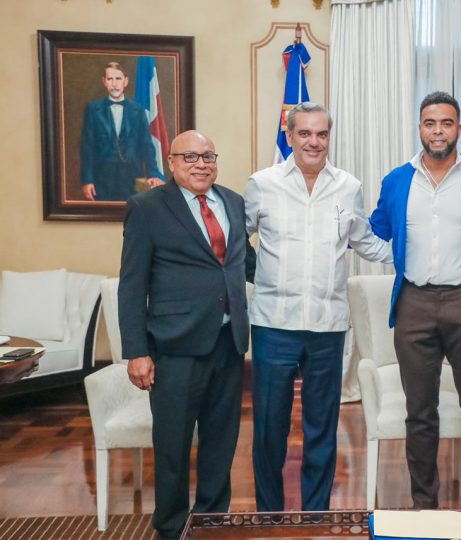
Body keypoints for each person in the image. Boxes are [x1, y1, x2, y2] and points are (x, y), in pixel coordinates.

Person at [244, 102, 392, 512]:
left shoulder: (348, 186)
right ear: (289, 136)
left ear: (329, 137)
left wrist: (415, 252)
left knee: (322, 428)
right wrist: (262, 277)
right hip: (274, 325)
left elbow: (366, 241)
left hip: (328, 327)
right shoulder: (262, 184)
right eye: (305, 133)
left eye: (321, 134)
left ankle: (315, 513)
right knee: (269, 430)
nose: (314, 141)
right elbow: (236, 240)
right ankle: (270, 514)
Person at [369, 91, 461, 515]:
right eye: (430, 123)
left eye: (446, 123)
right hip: (413, 302)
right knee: (419, 411)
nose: (438, 131)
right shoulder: (396, 181)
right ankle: (424, 505)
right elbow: (375, 232)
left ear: (459, 129)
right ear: (420, 128)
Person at [118, 130, 255, 539]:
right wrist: (136, 351)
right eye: (191, 157)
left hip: (229, 345)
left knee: (221, 441)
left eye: (208, 156)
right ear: (172, 162)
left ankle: (210, 521)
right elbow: (131, 284)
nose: (201, 164)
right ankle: (171, 526)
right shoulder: (146, 208)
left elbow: (244, 263)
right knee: (173, 447)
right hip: (175, 347)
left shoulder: (233, 202)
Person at [80, 61, 163, 201]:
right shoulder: (93, 110)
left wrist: (153, 174)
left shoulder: (138, 110)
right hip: (102, 179)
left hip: (132, 179)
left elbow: (147, 145)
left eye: (118, 79)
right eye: (110, 79)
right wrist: (87, 180)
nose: (114, 84)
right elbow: (87, 148)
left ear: (125, 81)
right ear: (104, 82)